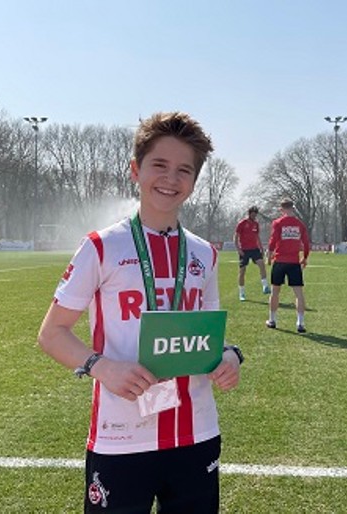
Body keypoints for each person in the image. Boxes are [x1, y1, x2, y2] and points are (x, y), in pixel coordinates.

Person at [38, 112, 242, 513]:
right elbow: (52, 333)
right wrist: (102, 367)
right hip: (121, 436)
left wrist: (231, 356)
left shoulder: (205, 254)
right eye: (159, 166)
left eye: (184, 170)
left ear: (195, 182)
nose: (171, 179)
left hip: (197, 432)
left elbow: (207, 337)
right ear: (135, 170)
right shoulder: (100, 246)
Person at [265, 198, 311, 333]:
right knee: (299, 294)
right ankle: (300, 323)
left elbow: (273, 239)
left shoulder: (278, 223)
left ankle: (272, 320)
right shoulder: (300, 224)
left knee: (275, 292)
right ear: (293, 208)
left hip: (280, 260)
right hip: (294, 262)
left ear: (282, 209)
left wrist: (269, 254)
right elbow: (306, 243)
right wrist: (305, 257)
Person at [234, 205, 270, 301]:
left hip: (254, 249)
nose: (254, 216)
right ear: (249, 214)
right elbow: (236, 237)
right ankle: (241, 293)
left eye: (255, 214)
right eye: (252, 214)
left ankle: (265, 286)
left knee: (262, 265)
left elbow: (257, 237)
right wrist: (239, 249)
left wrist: (261, 248)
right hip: (244, 250)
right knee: (242, 272)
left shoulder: (256, 224)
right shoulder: (242, 223)